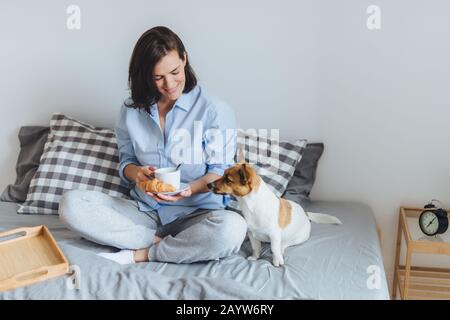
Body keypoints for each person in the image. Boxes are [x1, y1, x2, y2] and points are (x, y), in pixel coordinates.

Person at [58, 26, 247, 264]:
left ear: (184, 58)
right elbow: (126, 161)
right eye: (158, 77)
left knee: (232, 229)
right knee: (71, 205)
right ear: (145, 76)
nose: (170, 84)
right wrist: (137, 174)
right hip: (145, 210)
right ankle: (155, 240)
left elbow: (219, 172)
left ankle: (145, 253)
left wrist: (189, 190)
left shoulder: (214, 111)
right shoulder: (130, 110)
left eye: (175, 71)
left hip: (199, 214)